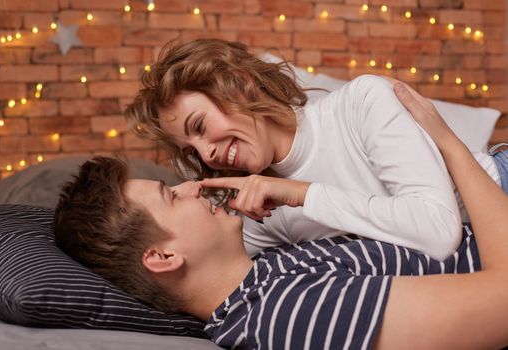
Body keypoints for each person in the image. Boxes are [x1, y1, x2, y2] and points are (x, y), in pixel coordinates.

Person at [54, 81, 508, 348]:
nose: (195, 180)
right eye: (171, 196)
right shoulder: (283, 311)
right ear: (163, 258)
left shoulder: (263, 268)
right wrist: (448, 144)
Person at [125, 38, 507, 261]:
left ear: (237, 84)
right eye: (191, 149)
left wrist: (304, 194)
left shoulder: (361, 102)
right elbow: (219, 270)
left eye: (200, 127)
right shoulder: (260, 210)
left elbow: (439, 232)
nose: (206, 155)